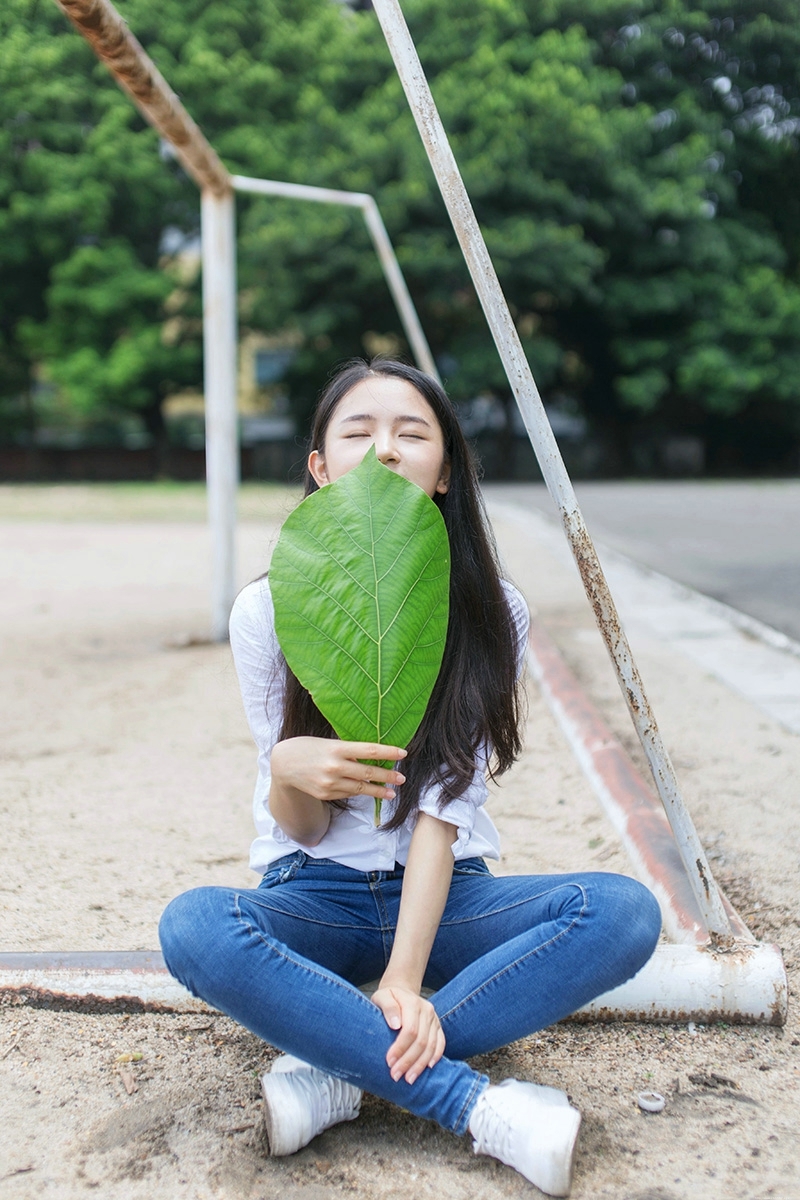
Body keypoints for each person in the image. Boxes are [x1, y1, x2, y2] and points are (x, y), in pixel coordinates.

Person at [159, 358, 661, 1198]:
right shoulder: (266, 609)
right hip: (311, 890)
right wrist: (287, 770)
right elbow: (303, 828)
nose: (384, 449)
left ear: (445, 472)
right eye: (358, 432)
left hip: (449, 893)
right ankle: (471, 1104)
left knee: (622, 913)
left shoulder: (492, 610)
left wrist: (401, 977)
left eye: (412, 433)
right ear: (321, 467)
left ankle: (342, 1070)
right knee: (195, 927)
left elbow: (442, 811)